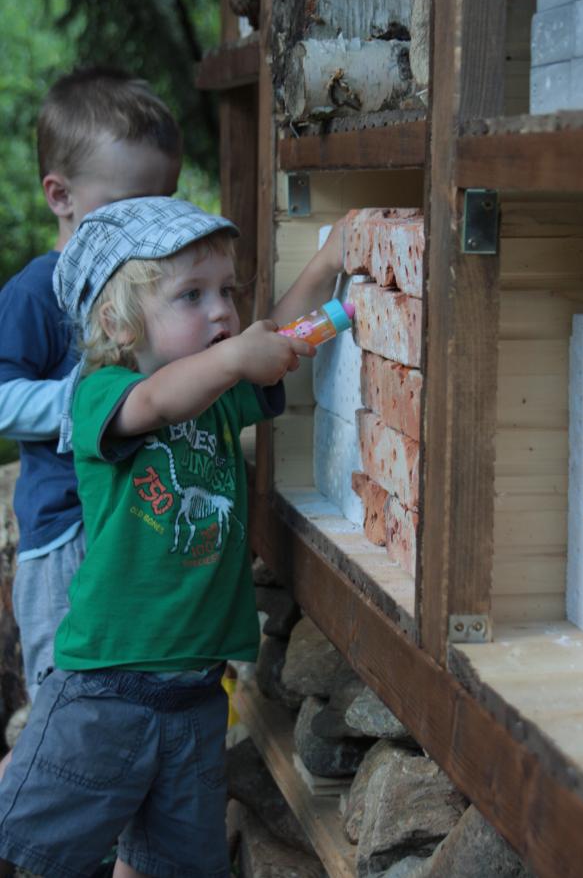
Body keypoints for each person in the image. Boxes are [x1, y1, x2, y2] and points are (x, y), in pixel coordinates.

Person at [0, 195, 344, 878]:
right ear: (118, 325)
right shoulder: (101, 393)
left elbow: (278, 341)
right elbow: (160, 402)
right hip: (106, 692)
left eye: (227, 291)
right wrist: (238, 357)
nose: (222, 311)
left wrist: (331, 259)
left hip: (193, 700)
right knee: (23, 848)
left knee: (177, 867)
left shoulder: (220, 394)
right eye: (192, 295)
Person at [0, 66, 182, 709]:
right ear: (60, 196)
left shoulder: (150, 290)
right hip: (65, 536)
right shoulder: (40, 290)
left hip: (136, 525)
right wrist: (86, 405)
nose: (140, 229)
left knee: (129, 701)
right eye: (123, 209)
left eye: (157, 207)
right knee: (69, 708)